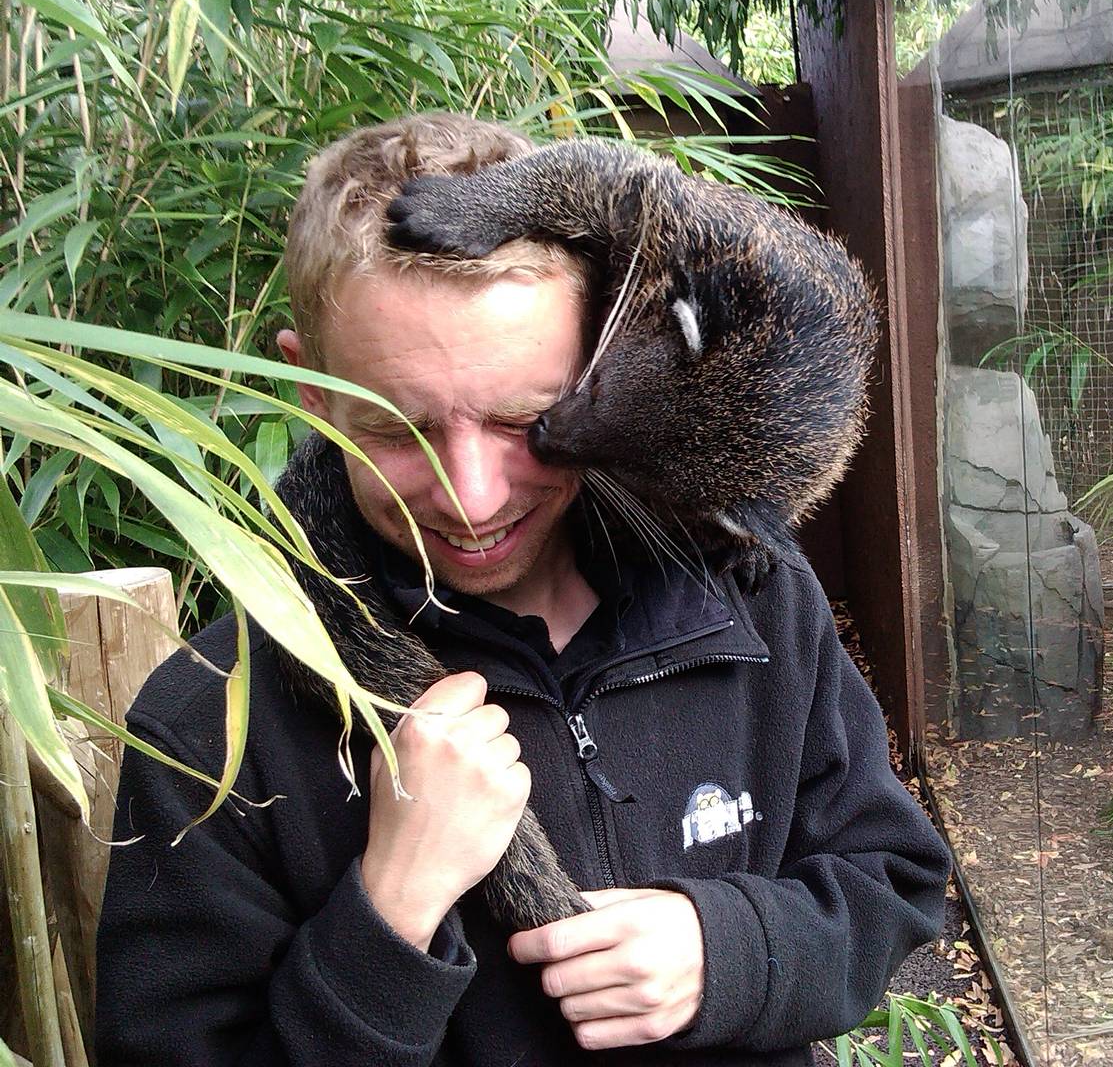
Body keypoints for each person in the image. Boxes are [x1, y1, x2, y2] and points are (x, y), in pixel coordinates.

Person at [94, 113, 951, 1066]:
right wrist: (391, 907)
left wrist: (732, 950)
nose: (472, 495)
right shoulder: (211, 729)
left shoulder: (749, 592)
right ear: (314, 394)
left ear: (601, 365)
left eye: (525, 421)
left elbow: (894, 879)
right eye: (395, 429)